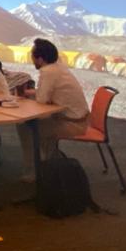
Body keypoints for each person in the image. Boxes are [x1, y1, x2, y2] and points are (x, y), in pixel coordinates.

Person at [17, 38, 90, 182]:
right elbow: (48, 93)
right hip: (79, 118)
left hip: (72, 123)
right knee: (39, 123)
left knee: (26, 126)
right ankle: (48, 163)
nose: (32, 60)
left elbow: (43, 99)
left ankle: (35, 171)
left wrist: (30, 95)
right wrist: (31, 93)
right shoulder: (58, 68)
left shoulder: (48, 71)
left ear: (40, 59)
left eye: (33, 57)